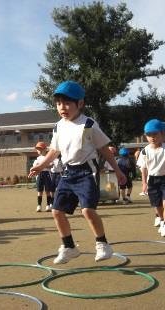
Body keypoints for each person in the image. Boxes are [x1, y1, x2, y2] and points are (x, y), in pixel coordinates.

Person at [29, 81, 126, 264]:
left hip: (87, 172)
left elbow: (104, 148)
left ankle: (103, 244)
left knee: (88, 210)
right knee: (57, 211)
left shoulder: (88, 124)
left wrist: (118, 170)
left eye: (67, 103)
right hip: (68, 173)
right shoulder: (58, 126)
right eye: (58, 103)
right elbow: (54, 150)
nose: (62, 107)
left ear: (80, 104)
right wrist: (41, 166)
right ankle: (69, 247)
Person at [32, 141, 53, 212]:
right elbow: (35, 167)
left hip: (47, 174)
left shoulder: (48, 157)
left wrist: (42, 165)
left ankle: (48, 205)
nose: (39, 150)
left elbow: (51, 165)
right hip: (40, 175)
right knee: (39, 191)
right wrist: (39, 166)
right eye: (38, 149)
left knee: (48, 191)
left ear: (45, 149)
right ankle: (39, 206)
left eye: (40, 149)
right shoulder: (37, 159)